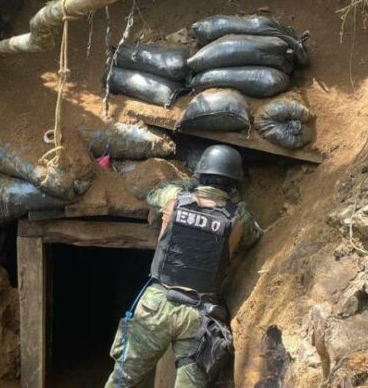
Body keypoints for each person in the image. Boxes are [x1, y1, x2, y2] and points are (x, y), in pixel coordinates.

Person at [105, 145, 263, 388]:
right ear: (233, 183)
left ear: (201, 174)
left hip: (156, 305)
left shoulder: (174, 199)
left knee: (122, 380)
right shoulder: (238, 217)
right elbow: (254, 236)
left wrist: (189, 187)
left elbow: (152, 195)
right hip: (199, 315)